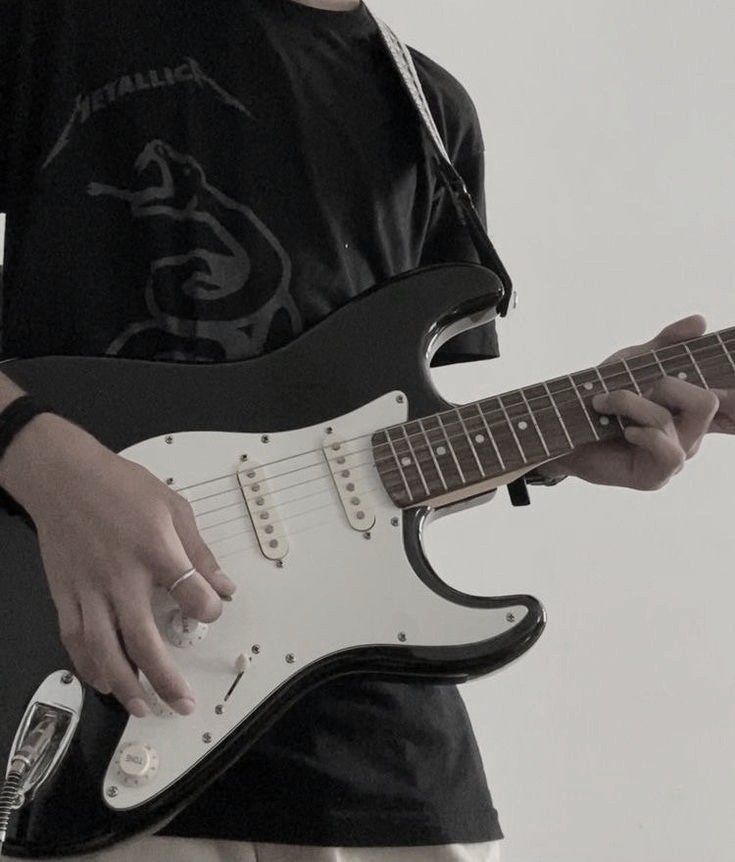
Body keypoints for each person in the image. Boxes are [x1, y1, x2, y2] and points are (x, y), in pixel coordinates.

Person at [0, 2, 732, 862]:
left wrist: (564, 439)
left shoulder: (431, 110)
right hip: (91, 707)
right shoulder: (59, 24)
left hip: (376, 757)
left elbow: (359, 468)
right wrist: (45, 460)